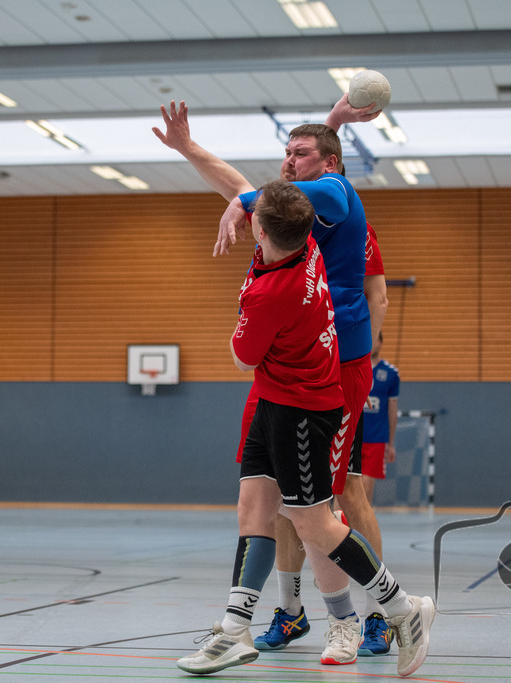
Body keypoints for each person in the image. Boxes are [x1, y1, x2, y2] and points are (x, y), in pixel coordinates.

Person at [154, 98, 413, 663]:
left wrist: (241, 203)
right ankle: (276, 615)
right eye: (287, 154)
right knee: (271, 503)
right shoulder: (294, 227)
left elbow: (270, 191)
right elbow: (255, 186)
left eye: (300, 154)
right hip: (286, 372)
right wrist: (188, 149)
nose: (289, 161)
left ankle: (374, 615)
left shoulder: (332, 204)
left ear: (330, 164)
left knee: (330, 499)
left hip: (334, 365)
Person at [362, 332, 400, 502]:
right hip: (349, 437)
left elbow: (392, 409)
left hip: (376, 438)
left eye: (376, 339)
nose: (372, 343)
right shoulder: (350, 368)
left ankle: (361, 527)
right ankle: (337, 525)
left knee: (366, 485)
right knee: (342, 487)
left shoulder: (390, 373)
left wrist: (390, 444)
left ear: (381, 343)